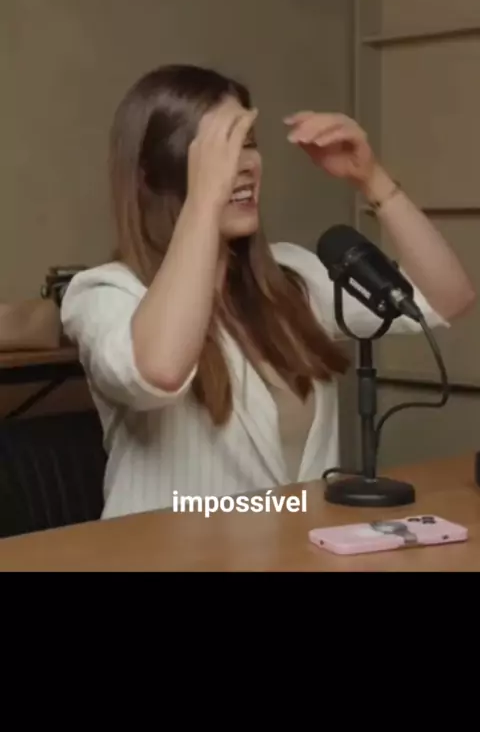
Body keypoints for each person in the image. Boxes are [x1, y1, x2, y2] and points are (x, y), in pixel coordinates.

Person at [61, 64, 476, 519]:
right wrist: (205, 200)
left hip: (298, 548)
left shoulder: (291, 275)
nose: (242, 165)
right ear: (151, 176)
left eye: (249, 144)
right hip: (162, 552)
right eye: (219, 152)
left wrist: (372, 179)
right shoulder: (104, 293)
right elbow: (158, 371)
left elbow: (445, 298)